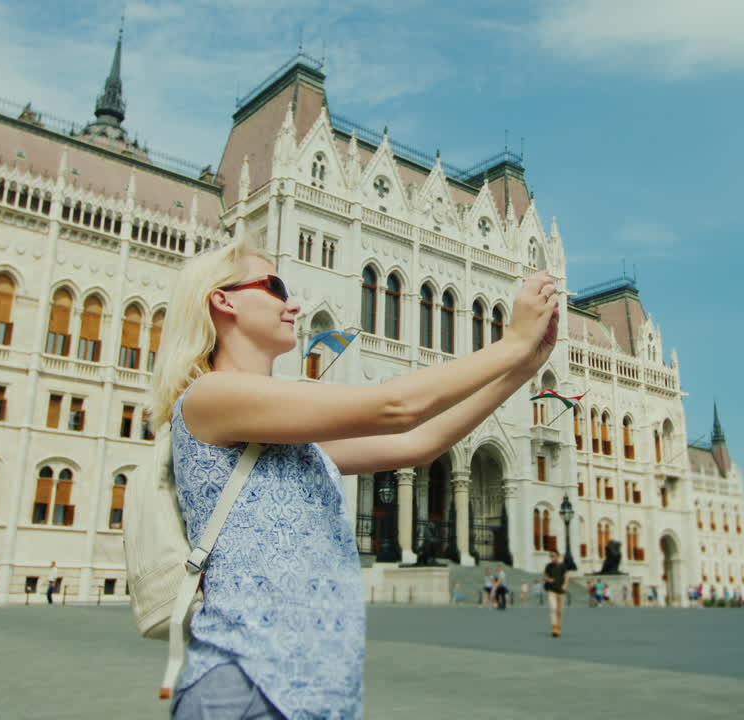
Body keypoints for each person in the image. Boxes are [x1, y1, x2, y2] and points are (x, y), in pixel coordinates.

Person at [150, 243, 559, 718]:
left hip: (320, 696)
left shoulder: (283, 436)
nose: (294, 304)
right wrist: (508, 345)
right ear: (224, 300)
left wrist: (523, 369)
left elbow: (418, 442)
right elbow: (394, 408)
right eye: (275, 287)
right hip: (248, 687)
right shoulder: (211, 396)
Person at [543, 549, 569, 637]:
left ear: (558, 556)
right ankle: (554, 627)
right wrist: (548, 579)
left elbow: (566, 576)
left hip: (561, 591)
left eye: (553, 556)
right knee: (553, 608)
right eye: (551, 556)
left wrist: (565, 585)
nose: (552, 558)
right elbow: (545, 575)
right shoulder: (549, 566)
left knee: (560, 611)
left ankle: (559, 626)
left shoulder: (563, 566)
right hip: (552, 590)